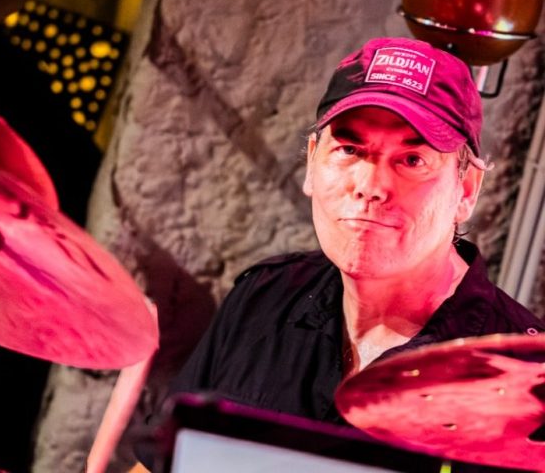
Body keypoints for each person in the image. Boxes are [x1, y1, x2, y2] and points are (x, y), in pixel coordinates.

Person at [129, 36, 545, 472]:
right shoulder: (263, 298)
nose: (370, 186)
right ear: (312, 162)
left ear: (465, 189)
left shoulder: (525, 385)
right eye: (349, 150)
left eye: (412, 159)